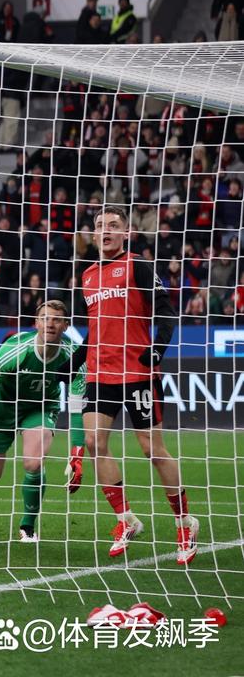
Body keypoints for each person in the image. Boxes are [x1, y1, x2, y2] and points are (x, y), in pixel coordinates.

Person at [76, 205, 197, 563]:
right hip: (100, 373)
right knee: (94, 442)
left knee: (152, 451)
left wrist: (157, 350)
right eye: (101, 225)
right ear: (93, 234)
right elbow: (95, 329)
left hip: (137, 373)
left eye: (113, 225)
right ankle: (125, 519)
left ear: (125, 232)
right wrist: (73, 362)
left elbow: (166, 312)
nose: (106, 230)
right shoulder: (87, 275)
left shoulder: (138, 265)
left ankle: (185, 523)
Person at [0, 300, 84, 541]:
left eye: (56, 319)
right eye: (44, 318)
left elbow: (76, 410)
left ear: (66, 325)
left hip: (40, 408)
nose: (50, 324)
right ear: (36, 323)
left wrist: (77, 453)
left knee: (34, 463)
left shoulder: (74, 356)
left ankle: (27, 526)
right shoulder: (16, 349)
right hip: (3, 407)